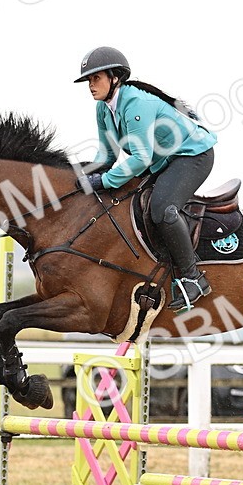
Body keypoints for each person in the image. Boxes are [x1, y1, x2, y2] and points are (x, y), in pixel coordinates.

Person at [74, 46, 218, 311]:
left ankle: (193, 277)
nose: (90, 86)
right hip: (163, 159)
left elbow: (140, 158)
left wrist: (104, 181)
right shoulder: (104, 110)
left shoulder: (136, 103)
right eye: (88, 80)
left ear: (115, 77)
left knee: (162, 208)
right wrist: (75, 173)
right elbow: (106, 156)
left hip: (193, 154)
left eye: (96, 78)